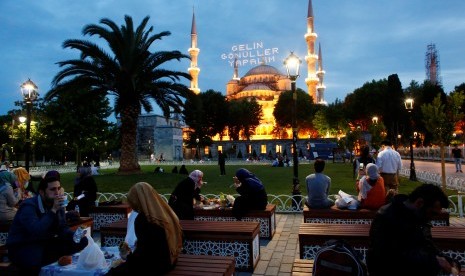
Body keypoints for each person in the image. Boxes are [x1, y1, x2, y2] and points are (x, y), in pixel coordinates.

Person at [366, 184, 460, 276]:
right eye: (432, 213)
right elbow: (387, 256)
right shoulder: (387, 216)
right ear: (419, 203)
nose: (432, 218)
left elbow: (427, 245)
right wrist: (435, 261)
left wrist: (449, 261)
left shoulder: (419, 217)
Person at [6, 173, 88, 275]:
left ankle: (55, 257)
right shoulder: (29, 206)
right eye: (53, 189)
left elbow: (62, 228)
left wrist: (76, 235)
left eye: (58, 188)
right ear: (42, 192)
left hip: (44, 242)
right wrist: (53, 210)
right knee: (34, 259)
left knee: (82, 240)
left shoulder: (57, 203)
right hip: (23, 245)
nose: (57, 192)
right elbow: (36, 231)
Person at [106, 182, 182, 275]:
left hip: (156, 266)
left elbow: (144, 255)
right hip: (170, 261)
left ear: (138, 201)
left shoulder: (144, 219)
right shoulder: (166, 213)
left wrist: (128, 258)